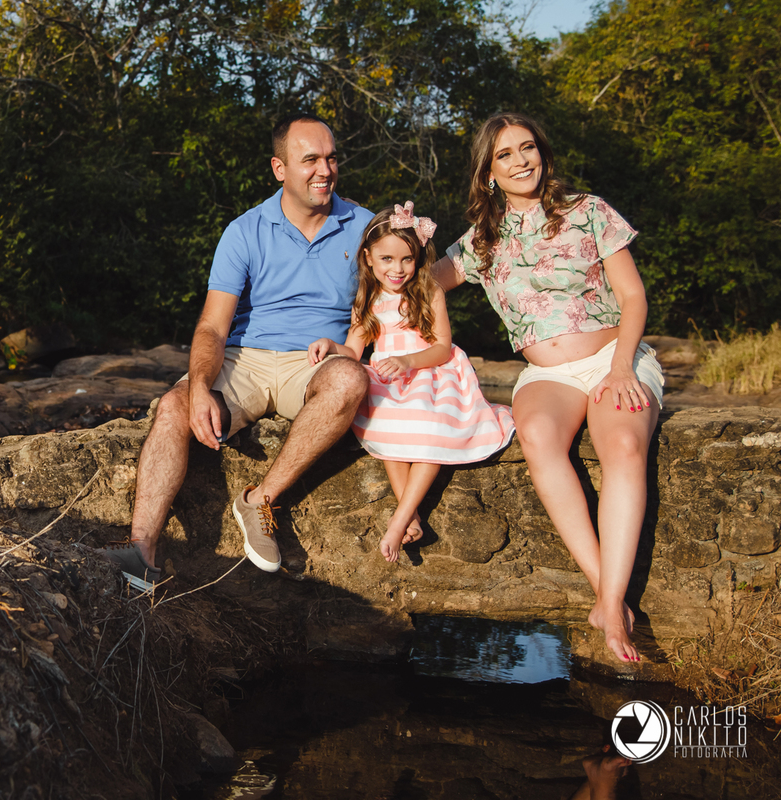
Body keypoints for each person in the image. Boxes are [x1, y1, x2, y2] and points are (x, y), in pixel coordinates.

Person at [101, 112, 372, 586]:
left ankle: (259, 499)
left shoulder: (364, 226)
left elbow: (399, 295)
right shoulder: (245, 231)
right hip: (245, 357)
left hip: (316, 361)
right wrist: (199, 387)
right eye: (310, 160)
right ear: (279, 168)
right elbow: (212, 326)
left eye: (331, 158)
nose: (325, 170)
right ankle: (141, 554)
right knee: (173, 406)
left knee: (350, 380)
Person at [432, 112, 664, 662]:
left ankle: (610, 604)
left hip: (613, 357)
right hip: (548, 376)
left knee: (622, 443)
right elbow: (413, 281)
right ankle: (608, 597)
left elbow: (633, 297)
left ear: (543, 152)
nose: (521, 161)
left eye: (528, 147)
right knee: (536, 433)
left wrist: (623, 367)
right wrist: (397, 240)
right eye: (505, 154)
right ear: (488, 172)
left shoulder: (589, 211)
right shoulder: (482, 240)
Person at [308, 202, 515, 563]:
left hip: (430, 371)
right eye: (387, 259)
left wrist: (407, 361)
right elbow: (353, 350)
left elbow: (442, 347)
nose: (398, 268)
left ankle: (400, 518)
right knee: (385, 418)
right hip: (388, 378)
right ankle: (413, 517)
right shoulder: (367, 300)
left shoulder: (429, 291)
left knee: (429, 423)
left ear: (418, 258)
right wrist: (330, 345)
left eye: (407, 259)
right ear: (368, 257)